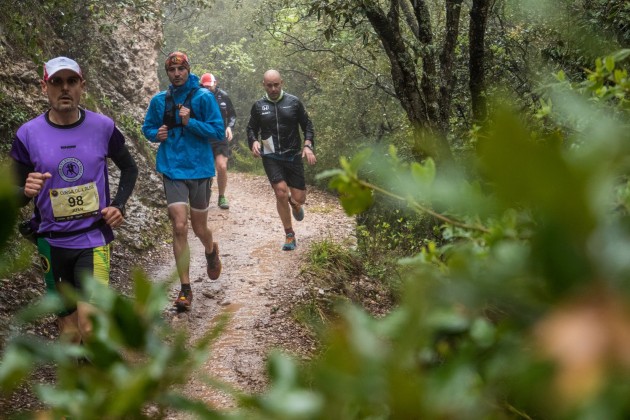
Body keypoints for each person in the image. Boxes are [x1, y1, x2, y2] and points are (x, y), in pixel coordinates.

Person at [10, 56, 138, 344]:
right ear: (45, 88)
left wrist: (118, 204)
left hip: (93, 240)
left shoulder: (102, 126)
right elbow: (12, 194)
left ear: (82, 86)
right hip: (52, 244)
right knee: (68, 333)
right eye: (56, 82)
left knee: (90, 327)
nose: (64, 88)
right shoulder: (28, 134)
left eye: (71, 81)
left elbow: (129, 167)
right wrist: (25, 191)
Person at [142, 52, 225, 311]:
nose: (177, 73)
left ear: (188, 69)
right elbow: (147, 128)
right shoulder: (159, 101)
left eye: (181, 69)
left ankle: (211, 250)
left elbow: (218, 131)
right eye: (172, 69)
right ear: (167, 73)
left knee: (200, 228)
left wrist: (190, 123)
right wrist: (157, 133)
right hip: (172, 168)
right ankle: (185, 289)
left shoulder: (203, 97)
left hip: (200, 169)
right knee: (179, 225)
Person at [246, 69, 316, 251]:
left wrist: (308, 145)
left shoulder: (293, 102)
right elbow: (251, 128)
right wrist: (253, 142)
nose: (273, 89)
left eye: (276, 85)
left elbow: (307, 125)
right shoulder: (259, 106)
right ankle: (289, 235)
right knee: (280, 192)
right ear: (264, 85)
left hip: (293, 154)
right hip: (271, 155)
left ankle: (295, 204)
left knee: (299, 197)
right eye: (269, 85)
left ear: (282, 83)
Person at [200, 73, 236, 210]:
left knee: (221, 166)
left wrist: (229, 127)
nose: (207, 89)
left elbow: (232, 115)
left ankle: (221, 196)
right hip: (204, 136)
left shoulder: (223, 96)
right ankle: (204, 194)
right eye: (204, 87)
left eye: (209, 86)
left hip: (220, 137)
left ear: (215, 83)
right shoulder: (198, 96)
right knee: (206, 167)